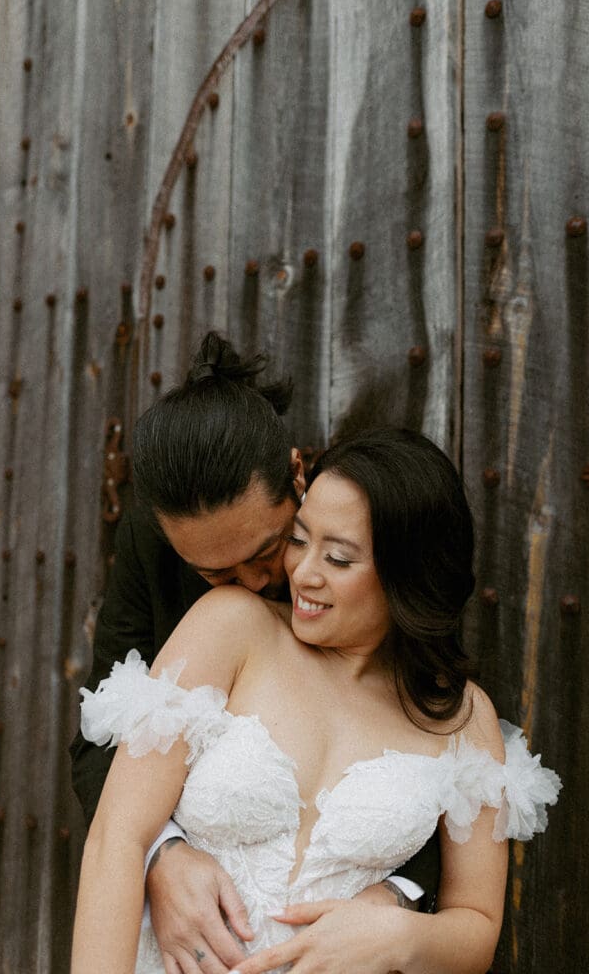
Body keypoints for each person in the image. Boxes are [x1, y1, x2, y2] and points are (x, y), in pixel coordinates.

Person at [71, 427, 561, 974]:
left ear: (407, 575)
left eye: (340, 558)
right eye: (300, 541)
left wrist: (397, 934)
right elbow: (116, 838)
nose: (302, 573)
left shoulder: (464, 721)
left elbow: (476, 924)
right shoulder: (229, 626)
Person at [70, 332, 431, 973]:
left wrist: (396, 900)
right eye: (214, 572)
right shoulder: (155, 543)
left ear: (298, 474)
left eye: (269, 551)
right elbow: (98, 739)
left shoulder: (360, 530)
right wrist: (162, 855)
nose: (257, 584)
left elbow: (438, 731)